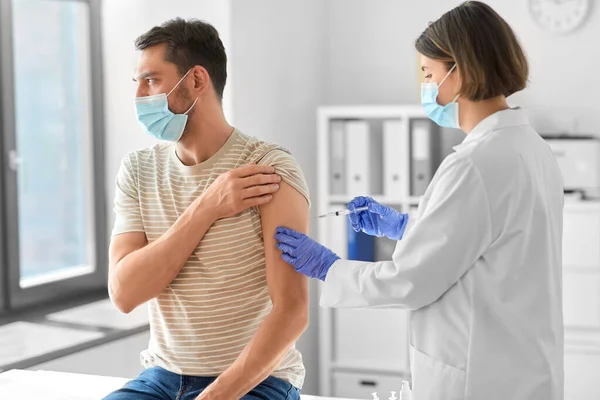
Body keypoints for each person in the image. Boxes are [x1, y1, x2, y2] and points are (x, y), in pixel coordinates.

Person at [275, 2, 564, 399]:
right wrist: (408, 228)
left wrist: (329, 267)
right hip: (522, 370)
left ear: (459, 71)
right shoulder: (531, 148)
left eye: (429, 73)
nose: (426, 86)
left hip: (480, 378)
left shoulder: (475, 164)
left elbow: (411, 281)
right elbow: (487, 249)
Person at [105, 18, 310, 400]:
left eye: (151, 80)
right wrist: (206, 208)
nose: (139, 97)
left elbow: (293, 311)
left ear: (196, 81)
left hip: (257, 382)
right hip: (161, 378)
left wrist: (214, 397)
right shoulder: (137, 170)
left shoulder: (268, 168)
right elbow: (125, 293)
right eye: (137, 83)